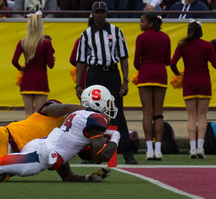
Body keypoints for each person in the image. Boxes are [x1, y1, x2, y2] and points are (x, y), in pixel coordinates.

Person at [0, 85, 120, 183]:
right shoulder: (87, 116)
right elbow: (101, 156)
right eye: (107, 103)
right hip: (35, 149)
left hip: (43, 147)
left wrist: (87, 178)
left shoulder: (77, 118)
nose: (109, 108)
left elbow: (69, 168)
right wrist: (116, 137)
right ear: (96, 104)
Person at [75, 1, 137, 165]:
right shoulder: (86, 34)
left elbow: (123, 57)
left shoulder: (116, 31)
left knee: (117, 113)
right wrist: (78, 84)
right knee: (91, 114)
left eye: (103, 12)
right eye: (97, 12)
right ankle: (91, 154)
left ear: (106, 13)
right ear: (93, 14)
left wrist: (125, 80)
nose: (100, 15)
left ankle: (127, 154)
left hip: (112, 74)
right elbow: (81, 61)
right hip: (94, 73)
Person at [170, 19, 216, 159]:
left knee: (191, 117)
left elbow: (172, 63)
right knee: (202, 117)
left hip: (189, 81)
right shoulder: (207, 45)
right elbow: (215, 64)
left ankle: (192, 149)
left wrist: (178, 74)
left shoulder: (182, 45)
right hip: (203, 82)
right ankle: (200, 148)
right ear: (200, 31)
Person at [134, 12, 171, 160]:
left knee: (147, 113)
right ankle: (158, 150)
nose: (140, 24)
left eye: (142, 21)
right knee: (158, 113)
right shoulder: (165, 37)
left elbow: (136, 62)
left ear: (150, 23)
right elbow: (168, 61)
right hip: (161, 74)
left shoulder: (141, 38)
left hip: (145, 74)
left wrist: (144, 66)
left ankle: (149, 150)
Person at [12, 11, 54, 118]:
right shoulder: (46, 43)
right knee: (39, 115)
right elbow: (50, 65)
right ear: (41, 26)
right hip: (41, 80)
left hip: (27, 78)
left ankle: (27, 135)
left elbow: (14, 61)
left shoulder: (22, 42)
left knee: (28, 114)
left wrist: (21, 68)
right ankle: (38, 135)